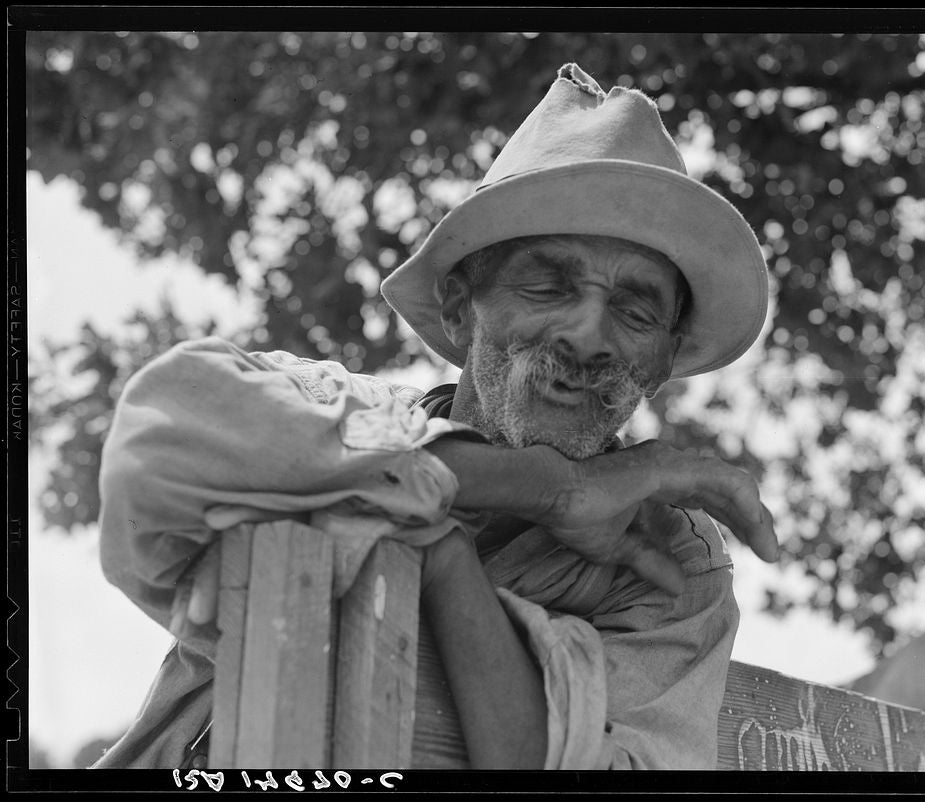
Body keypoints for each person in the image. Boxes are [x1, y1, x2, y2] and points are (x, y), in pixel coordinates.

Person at [93, 63, 778, 770]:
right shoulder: (330, 406)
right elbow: (159, 446)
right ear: (458, 307)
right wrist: (548, 488)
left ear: (662, 363)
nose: (587, 335)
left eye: (635, 312)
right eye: (547, 284)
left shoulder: (676, 565)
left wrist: (435, 541)